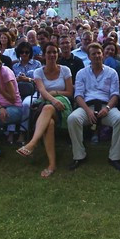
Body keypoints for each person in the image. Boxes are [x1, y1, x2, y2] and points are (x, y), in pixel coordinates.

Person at [67, 43, 120, 172]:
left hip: (106, 106)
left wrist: (107, 108)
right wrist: (87, 110)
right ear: (89, 57)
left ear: (103, 54)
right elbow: (78, 95)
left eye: (99, 53)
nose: (97, 56)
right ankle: (79, 155)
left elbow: (115, 95)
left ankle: (114, 157)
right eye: (93, 54)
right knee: (73, 118)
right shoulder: (81, 73)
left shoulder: (111, 73)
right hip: (87, 107)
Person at [17, 43, 74, 177]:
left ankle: (32, 143)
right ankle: (51, 164)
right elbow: (42, 91)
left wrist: (54, 94)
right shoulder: (38, 72)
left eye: (54, 52)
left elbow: (69, 92)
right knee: (50, 123)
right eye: (48, 52)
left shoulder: (65, 70)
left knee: (48, 107)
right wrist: (52, 99)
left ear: (58, 54)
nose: (52, 55)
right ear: (44, 55)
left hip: (63, 103)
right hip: (45, 103)